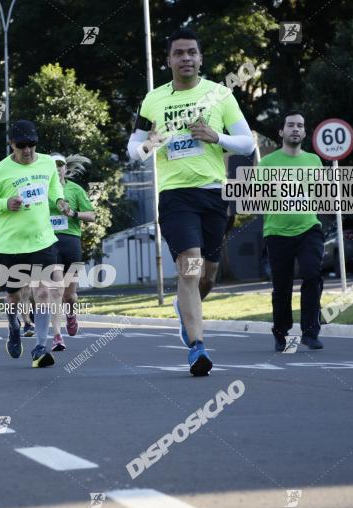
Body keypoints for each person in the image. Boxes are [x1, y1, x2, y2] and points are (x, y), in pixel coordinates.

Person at [127, 28, 255, 376]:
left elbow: (247, 143)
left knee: (208, 276)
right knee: (191, 265)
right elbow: (133, 150)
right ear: (168, 60)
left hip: (214, 195)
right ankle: (198, 348)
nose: (186, 58)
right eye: (179, 53)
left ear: (200, 58)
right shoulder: (153, 100)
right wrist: (151, 143)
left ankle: (183, 309)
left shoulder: (220, 94)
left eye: (192, 52)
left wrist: (217, 137)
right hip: (175, 197)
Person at [0, 119, 69, 368]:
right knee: (14, 296)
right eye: (21, 145)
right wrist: (4, 203)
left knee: (42, 292)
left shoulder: (48, 163)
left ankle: (40, 347)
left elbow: (54, 189)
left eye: (32, 145)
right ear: (11, 145)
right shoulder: (0, 170)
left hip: (42, 240)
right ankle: (13, 325)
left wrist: (60, 202)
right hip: (11, 245)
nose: (27, 150)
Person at [259, 110, 325, 351]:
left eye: (300, 125)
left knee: (312, 274)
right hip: (277, 232)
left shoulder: (314, 161)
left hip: (309, 228)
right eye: (290, 125)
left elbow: (322, 194)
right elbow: (255, 198)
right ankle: (281, 331)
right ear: (281, 131)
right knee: (282, 286)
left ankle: (310, 332)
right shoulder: (267, 163)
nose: (295, 129)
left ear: (305, 132)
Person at [47, 153, 96, 352]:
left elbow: (92, 215)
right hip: (49, 243)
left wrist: (73, 214)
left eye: (60, 165)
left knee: (70, 294)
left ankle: (71, 313)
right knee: (55, 290)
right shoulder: (42, 190)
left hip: (71, 241)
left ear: (66, 168)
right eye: (53, 165)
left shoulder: (75, 189)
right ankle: (57, 336)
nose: (57, 168)